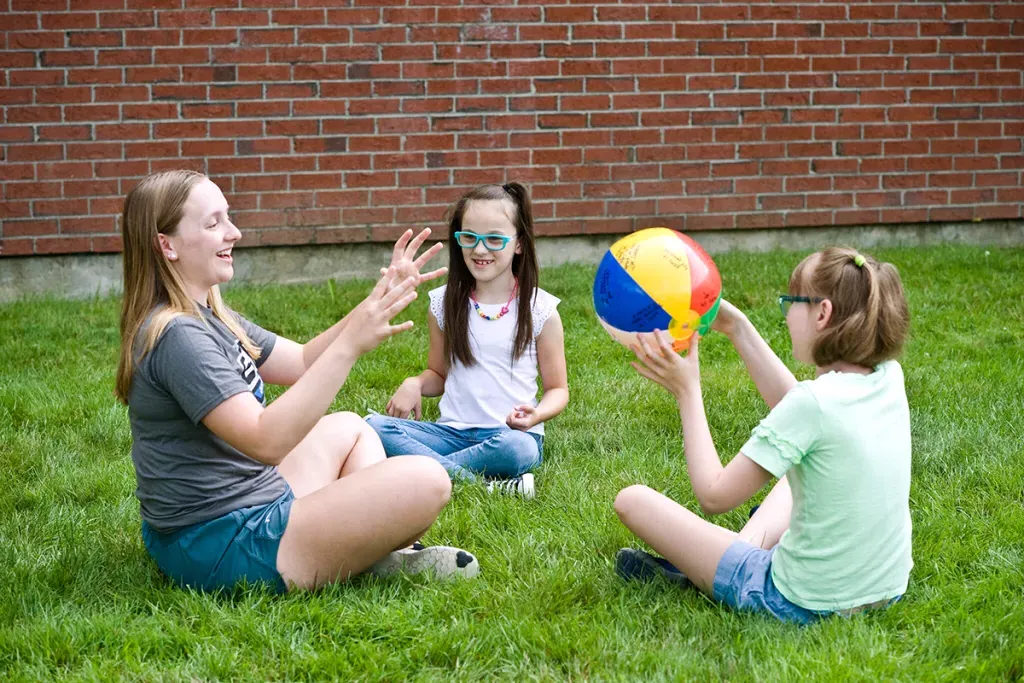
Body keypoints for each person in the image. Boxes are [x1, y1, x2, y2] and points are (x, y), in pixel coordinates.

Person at [116, 169, 479, 594]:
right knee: (428, 479)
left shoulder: (209, 315)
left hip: (244, 504)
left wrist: (376, 300)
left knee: (351, 429)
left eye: (228, 218)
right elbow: (265, 441)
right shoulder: (178, 336)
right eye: (213, 223)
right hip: (221, 543)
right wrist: (350, 347)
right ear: (167, 244)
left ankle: (375, 552)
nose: (233, 232)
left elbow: (303, 360)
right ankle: (369, 552)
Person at [614, 248, 912, 625]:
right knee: (802, 471)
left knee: (632, 501)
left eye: (792, 303)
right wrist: (737, 326)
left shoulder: (813, 406)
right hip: (883, 590)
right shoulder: (888, 376)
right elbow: (803, 411)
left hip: (798, 602)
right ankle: (726, 554)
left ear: (822, 314)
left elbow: (713, 495)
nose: (786, 314)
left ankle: (721, 561)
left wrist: (687, 391)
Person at [366, 183, 569, 499]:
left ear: (519, 244)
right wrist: (415, 383)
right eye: (469, 237)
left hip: (509, 435)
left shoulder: (539, 309)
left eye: (494, 239)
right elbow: (439, 375)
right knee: (372, 427)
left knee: (519, 451)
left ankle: (423, 475)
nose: (480, 249)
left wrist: (537, 415)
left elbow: (558, 389)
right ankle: (484, 487)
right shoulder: (444, 303)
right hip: (451, 433)